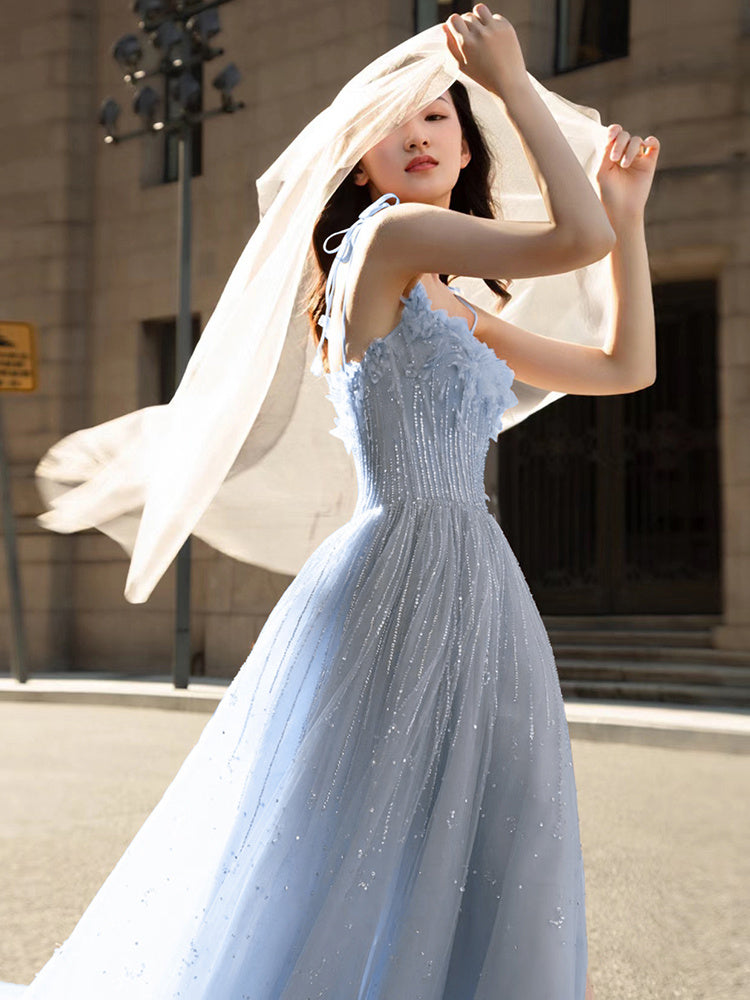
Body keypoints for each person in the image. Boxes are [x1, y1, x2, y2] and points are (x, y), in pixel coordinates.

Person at [1, 6, 659, 998]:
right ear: (355, 164)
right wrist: (515, 84)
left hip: (477, 578)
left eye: (444, 116)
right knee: (355, 837)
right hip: (400, 575)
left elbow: (625, 365)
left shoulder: (448, 295)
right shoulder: (386, 241)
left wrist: (632, 222)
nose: (424, 133)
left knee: (473, 829)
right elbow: (572, 235)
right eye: (397, 122)